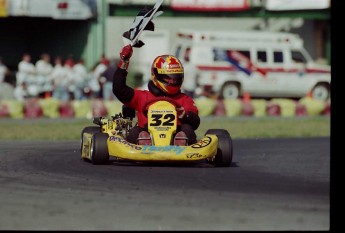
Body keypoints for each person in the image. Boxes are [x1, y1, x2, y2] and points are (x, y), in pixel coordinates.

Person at [112, 45, 200, 146]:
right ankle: (144, 142)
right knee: (136, 131)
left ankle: (180, 142)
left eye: (176, 78)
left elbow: (195, 122)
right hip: (147, 136)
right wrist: (124, 61)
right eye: (168, 78)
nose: (173, 81)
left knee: (187, 129)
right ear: (157, 76)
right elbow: (119, 89)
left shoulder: (184, 99)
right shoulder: (142, 96)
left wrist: (186, 116)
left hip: (176, 137)